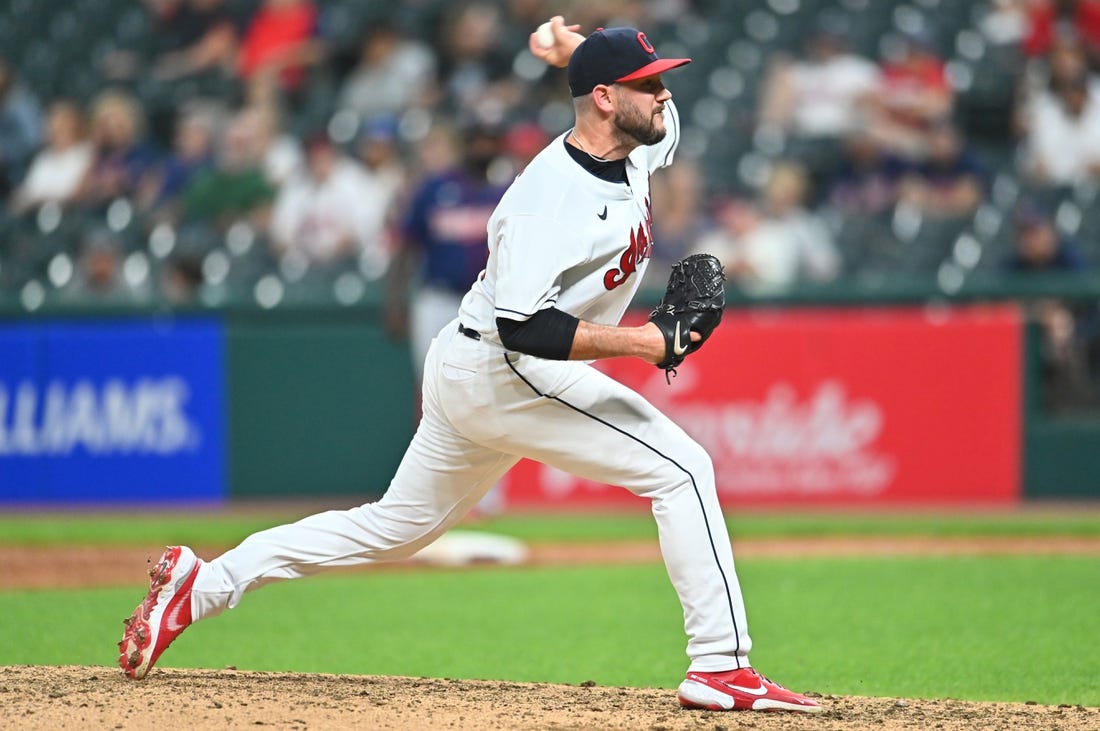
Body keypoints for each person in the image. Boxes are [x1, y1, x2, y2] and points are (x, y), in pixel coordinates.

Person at [117, 17, 822, 715]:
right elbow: (525, 326)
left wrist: (574, 50)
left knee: (396, 527)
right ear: (606, 99)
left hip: (471, 365)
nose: (664, 96)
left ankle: (201, 584)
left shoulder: (638, 141)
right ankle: (721, 666)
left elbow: (651, 115)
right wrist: (646, 342)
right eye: (647, 85)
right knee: (683, 468)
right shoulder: (548, 198)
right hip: (506, 368)